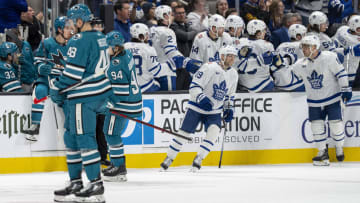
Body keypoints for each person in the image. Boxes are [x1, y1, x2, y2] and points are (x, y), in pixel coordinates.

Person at [50, 4, 110, 202]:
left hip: (83, 98)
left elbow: (73, 75)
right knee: (72, 138)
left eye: (72, 21)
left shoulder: (79, 40)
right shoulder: (101, 36)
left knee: (83, 139)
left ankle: (96, 185)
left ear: (79, 20)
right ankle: (76, 182)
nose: (71, 25)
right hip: (98, 95)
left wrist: (56, 86)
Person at [160, 45, 238, 171]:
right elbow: (194, 86)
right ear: (222, 56)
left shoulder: (233, 74)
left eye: (233, 56)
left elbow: (230, 95)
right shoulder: (209, 67)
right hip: (196, 107)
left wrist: (229, 108)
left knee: (214, 132)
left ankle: (199, 159)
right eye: (229, 56)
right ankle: (168, 159)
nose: (232, 59)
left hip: (214, 111)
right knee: (183, 134)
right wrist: (202, 98)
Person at [289, 35, 352, 166]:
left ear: (315, 47)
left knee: (336, 124)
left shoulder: (329, 57)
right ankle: (322, 151)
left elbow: (341, 73)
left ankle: (339, 147)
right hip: (314, 101)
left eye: (307, 46)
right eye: (303, 46)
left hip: (332, 98)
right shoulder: (299, 64)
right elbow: (292, 79)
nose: (304, 49)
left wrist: (345, 88)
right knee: (316, 126)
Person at [22, 16, 74, 141]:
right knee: (39, 91)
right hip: (47, 80)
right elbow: (38, 60)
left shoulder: (73, 45)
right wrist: (41, 68)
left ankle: (72, 131)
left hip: (64, 82)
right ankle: (35, 126)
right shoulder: (47, 43)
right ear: (60, 29)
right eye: (67, 28)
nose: (71, 31)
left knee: (71, 99)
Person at [101, 30, 142, 181]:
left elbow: (120, 92)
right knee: (112, 133)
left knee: (111, 133)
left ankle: (119, 168)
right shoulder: (127, 54)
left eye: (109, 46)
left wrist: (105, 104)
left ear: (116, 48)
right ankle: (117, 164)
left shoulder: (116, 65)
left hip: (123, 104)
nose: (107, 49)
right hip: (133, 100)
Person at [150, 5, 202, 90]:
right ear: (165, 16)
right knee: (168, 99)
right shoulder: (168, 32)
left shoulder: (150, 30)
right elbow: (171, 52)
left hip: (153, 71)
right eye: (171, 15)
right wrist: (186, 62)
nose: (172, 17)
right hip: (166, 73)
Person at [125, 23, 173, 92]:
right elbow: (156, 71)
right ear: (142, 35)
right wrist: (170, 65)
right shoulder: (149, 49)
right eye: (147, 34)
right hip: (145, 88)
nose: (148, 36)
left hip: (127, 88)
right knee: (158, 83)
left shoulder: (124, 47)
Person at [235, 19, 275, 92]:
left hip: (243, 85)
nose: (265, 32)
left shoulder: (240, 42)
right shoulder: (267, 45)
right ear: (258, 33)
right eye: (263, 30)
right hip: (263, 85)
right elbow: (273, 65)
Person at [273, 23, 307, 91]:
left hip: (278, 82)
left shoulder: (281, 45)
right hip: (294, 83)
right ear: (298, 37)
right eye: (304, 34)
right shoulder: (302, 46)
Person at [332, 15, 360, 87]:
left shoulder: (342, 29)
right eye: (359, 28)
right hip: (347, 70)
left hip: (333, 60)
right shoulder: (356, 41)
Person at [5, 28, 36, 92]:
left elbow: (32, 61)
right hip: (22, 83)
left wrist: (35, 78)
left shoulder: (26, 45)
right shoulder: (10, 49)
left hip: (32, 80)